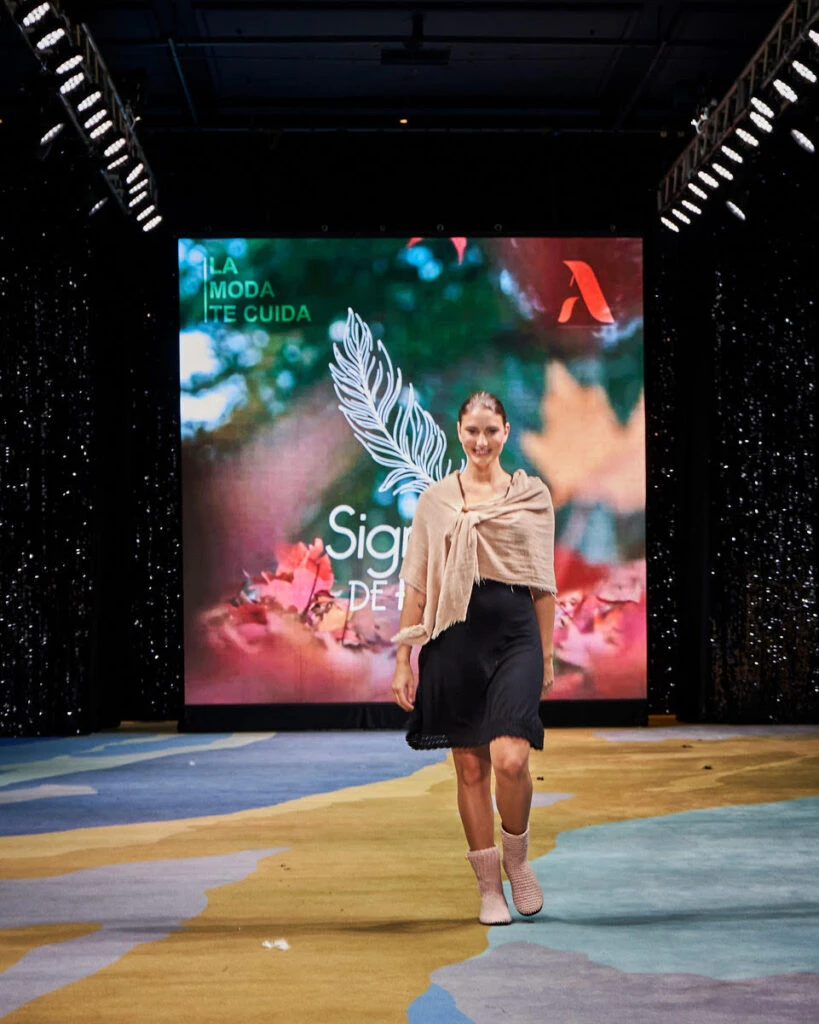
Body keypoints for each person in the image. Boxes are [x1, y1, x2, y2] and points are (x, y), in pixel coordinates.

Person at [390, 391, 557, 926]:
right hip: (453, 638)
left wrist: (547, 654)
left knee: (512, 758)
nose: (481, 441)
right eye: (472, 431)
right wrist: (403, 658)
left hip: (515, 636)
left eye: (490, 430)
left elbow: (543, 583)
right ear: (458, 433)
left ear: (506, 432)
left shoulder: (531, 496)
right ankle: (489, 889)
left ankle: (517, 857)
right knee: (469, 767)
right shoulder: (436, 500)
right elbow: (417, 583)